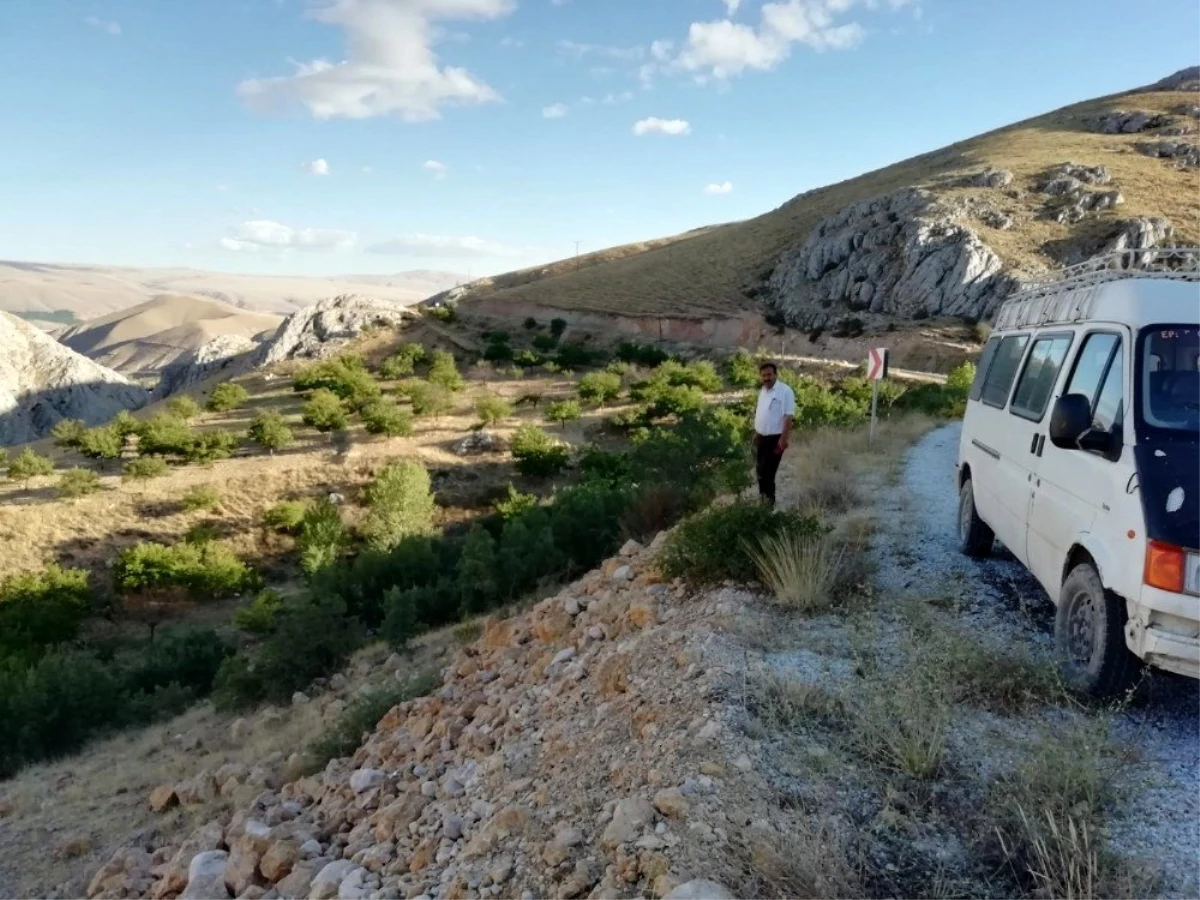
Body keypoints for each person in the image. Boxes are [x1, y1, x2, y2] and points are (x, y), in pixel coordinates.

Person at [753, 361, 795, 508]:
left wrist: (783, 440)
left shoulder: (785, 391)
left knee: (768, 473)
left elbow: (788, 417)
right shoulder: (763, 391)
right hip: (761, 438)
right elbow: (762, 413)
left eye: (769, 374)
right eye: (764, 375)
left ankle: (769, 505)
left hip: (775, 439)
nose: (766, 378)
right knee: (759, 471)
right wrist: (757, 432)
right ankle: (763, 500)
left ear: (775, 374)